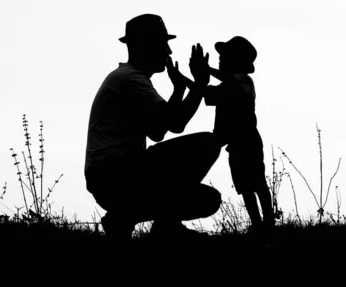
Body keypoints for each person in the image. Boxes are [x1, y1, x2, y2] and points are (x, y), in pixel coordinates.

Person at [84, 14, 222, 239]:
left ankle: (125, 218)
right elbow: (176, 123)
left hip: (113, 178)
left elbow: (158, 131)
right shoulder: (131, 80)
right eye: (163, 44)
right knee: (207, 143)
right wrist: (199, 85)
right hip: (116, 176)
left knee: (207, 199)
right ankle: (163, 225)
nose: (168, 52)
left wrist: (179, 90)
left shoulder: (130, 79)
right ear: (145, 46)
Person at [203, 36, 274, 236]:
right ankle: (258, 224)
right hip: (235, 144)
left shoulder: (244, 79)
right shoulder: (229, 84)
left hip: (249, 140)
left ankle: (268, 223)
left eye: (224, 57)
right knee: (245, 187)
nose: (220, 60)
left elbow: (227, 80)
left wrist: (206, 70)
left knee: (258, 183)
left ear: (237, 61)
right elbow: (206, 93)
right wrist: (188, 78)